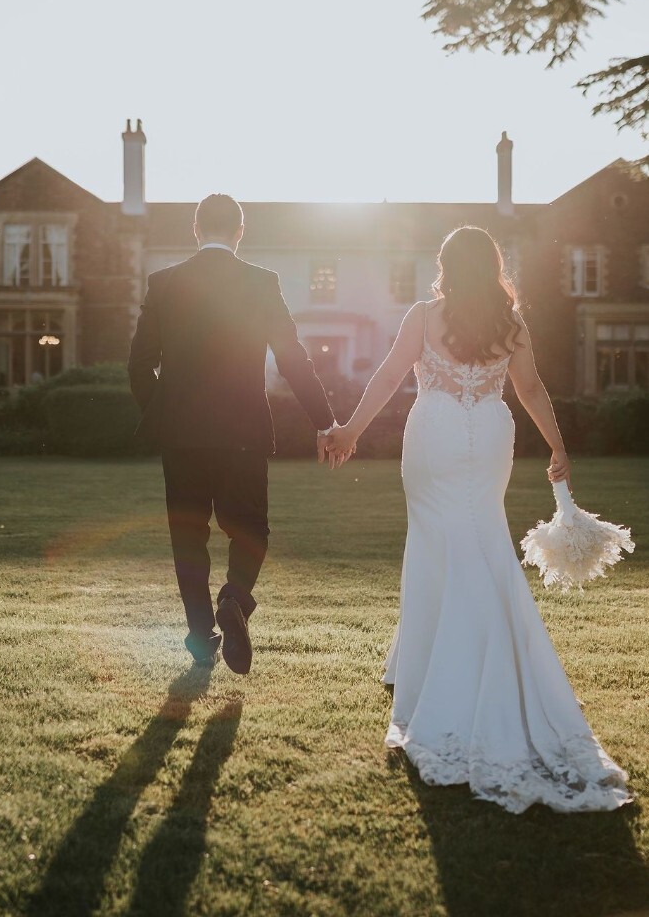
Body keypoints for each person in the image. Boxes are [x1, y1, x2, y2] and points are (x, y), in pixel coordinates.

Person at [326, 226, 630, 813]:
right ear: (492, 266)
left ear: (445, 266)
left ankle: (441, 664)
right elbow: (531, 388)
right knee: (482, 540)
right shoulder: (510, 324)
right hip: (489, 434)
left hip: (435, 435)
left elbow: (389, 377)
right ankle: (447, 651)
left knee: (437, 545)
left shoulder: (422, 316)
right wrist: (557, 446)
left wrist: (350, 432)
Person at [128, 194, 336, 674]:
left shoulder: (164, 284)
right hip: (243, 430)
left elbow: (138, 365)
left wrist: (163, 415)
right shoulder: (262, 283)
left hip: (180, 436)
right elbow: (292, 358)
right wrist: (324, 421)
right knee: (250, 527)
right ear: (240, 232)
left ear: (196, 229)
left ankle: (202, 636)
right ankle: (236, 597)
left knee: (188, 536)